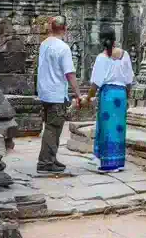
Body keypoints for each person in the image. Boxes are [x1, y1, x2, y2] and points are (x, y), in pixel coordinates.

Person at [36, 16, 82, 173]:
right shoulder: (63, 48)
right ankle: (45, 162)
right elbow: (70, 74)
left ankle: (51, 158)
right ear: (65, 29)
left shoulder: (44, 44)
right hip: (55, 93)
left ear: (51, 28)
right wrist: (78, 94)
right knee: (53, 128)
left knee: (52, 126)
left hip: (44, 92)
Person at [85, 28, 134, 172]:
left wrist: (88, 97)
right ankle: (118, 161)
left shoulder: (102, 57)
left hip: (107, 95)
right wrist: (127, 97)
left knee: (106, 127)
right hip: (121, 94)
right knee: (118, 128)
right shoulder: (125, 55)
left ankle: (107, 163)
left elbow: (95, 83)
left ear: (101, 40)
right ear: (115, 39)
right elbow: (129, 80)